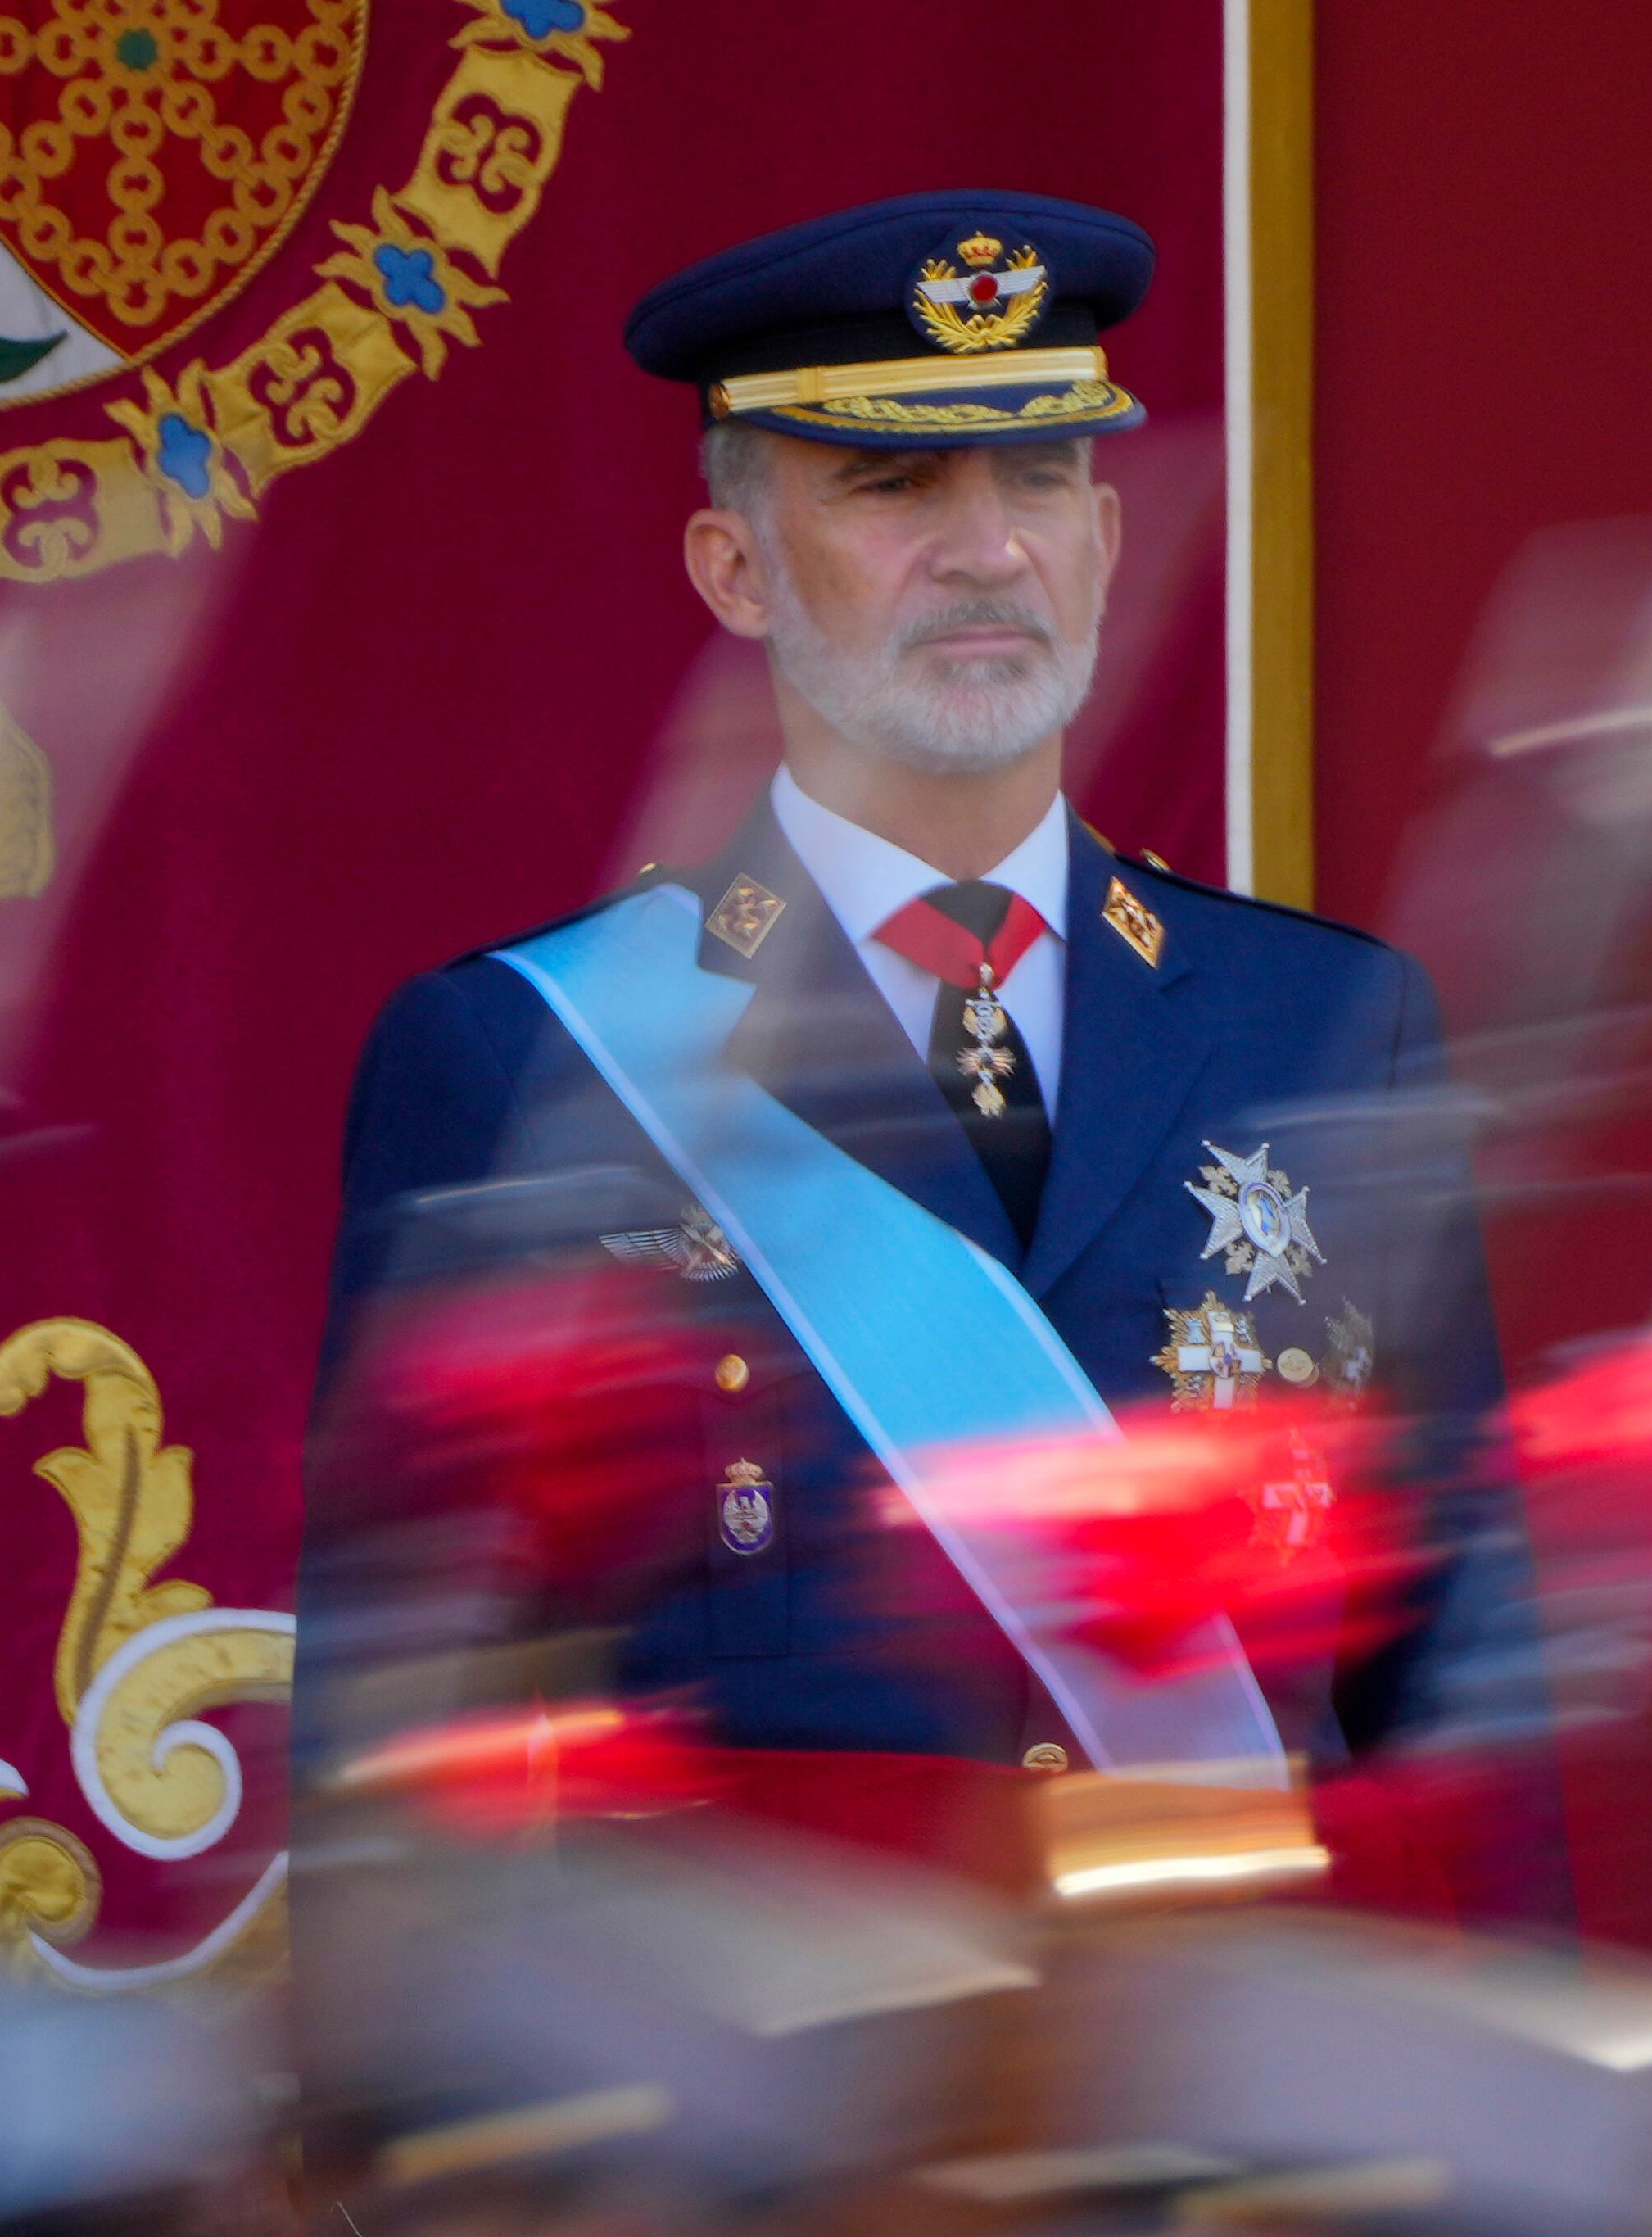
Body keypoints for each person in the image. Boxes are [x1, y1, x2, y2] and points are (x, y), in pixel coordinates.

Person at [310, 192, 1543, 1818]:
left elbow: (1460, 1694)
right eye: (892, 484)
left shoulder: (1327, 1023)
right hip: (761, 1986)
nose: (986, 549)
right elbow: (399, 1752)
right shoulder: (526, 1052)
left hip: (1236, 1979)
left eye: (1039, 477)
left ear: (1106, 542)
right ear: (734, 568)